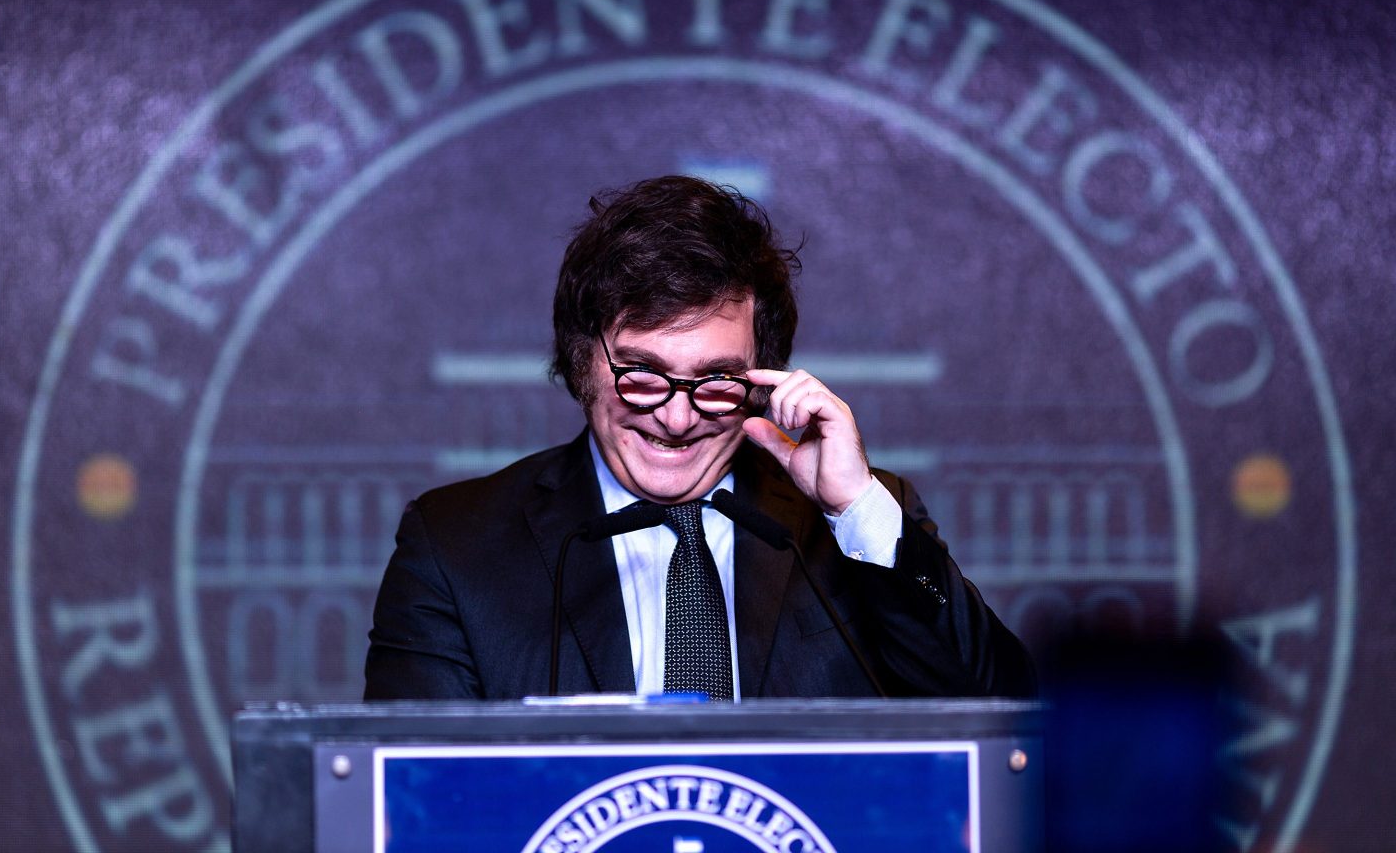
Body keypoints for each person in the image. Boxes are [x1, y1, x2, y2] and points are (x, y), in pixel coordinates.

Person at [364, 175, 1034, 700]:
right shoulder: (454, 546)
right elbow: (407, 795)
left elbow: (1006, 730)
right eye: (643, 374)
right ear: (581, 360)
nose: (677, 419)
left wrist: (853, 506)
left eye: (716, 379)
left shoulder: (854, 523)